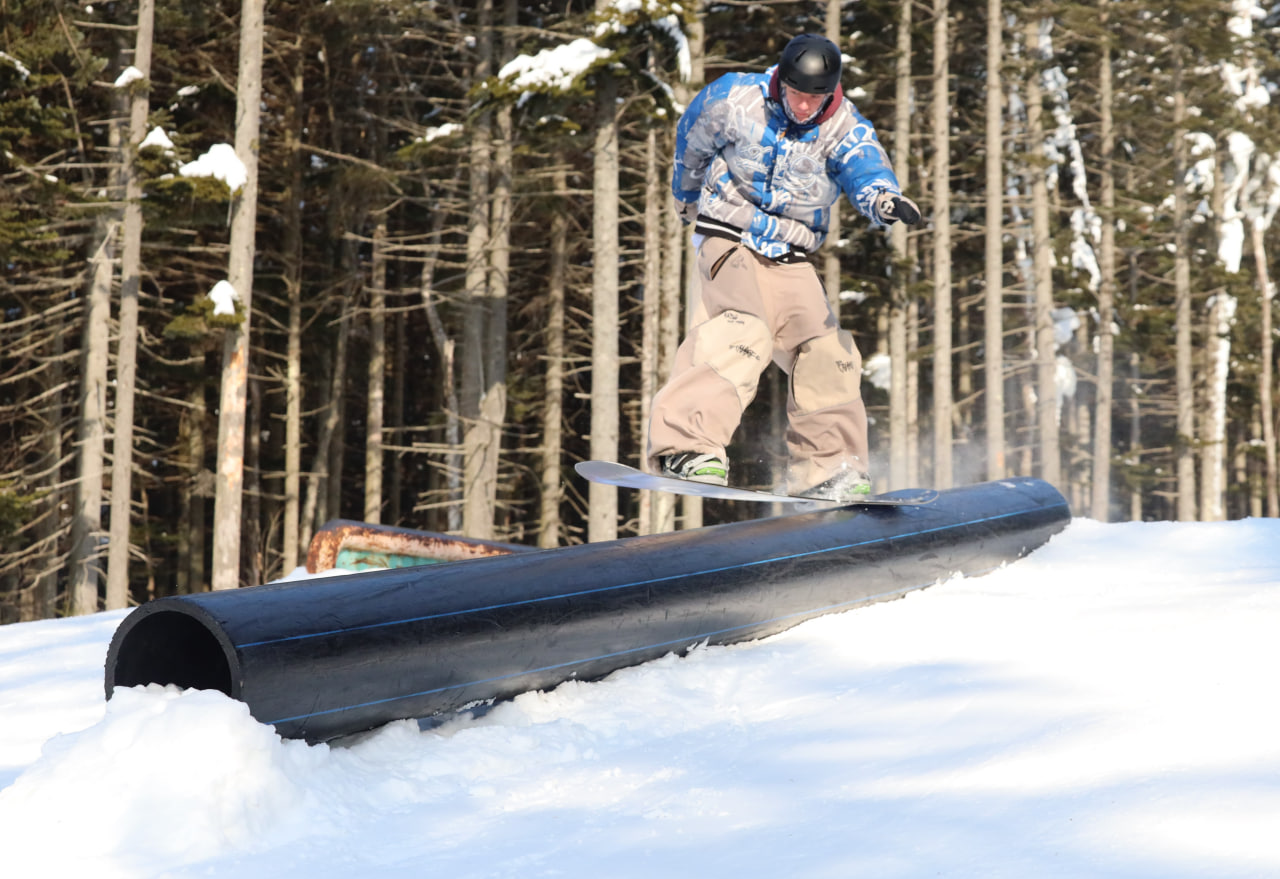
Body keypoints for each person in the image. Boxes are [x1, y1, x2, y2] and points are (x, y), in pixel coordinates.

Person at [647, 33, 921, 501]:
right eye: (795, 94)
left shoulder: (842, 126)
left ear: (830, 94)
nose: (802, 106)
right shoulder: (734, 99)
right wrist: (686, 199)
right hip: (728, 234)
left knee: (828, 352)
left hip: (791, 253)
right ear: (781, 82)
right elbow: (691, 140)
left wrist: (884, 201)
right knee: (742, 331)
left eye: (814, 98)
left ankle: (828, 467)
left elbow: (864, 168)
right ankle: (686, 445)